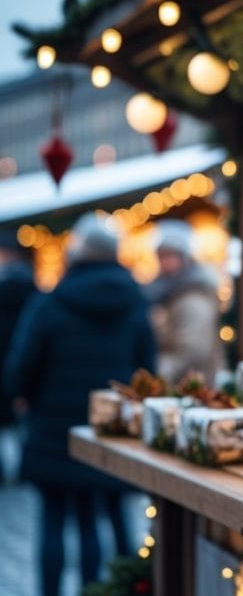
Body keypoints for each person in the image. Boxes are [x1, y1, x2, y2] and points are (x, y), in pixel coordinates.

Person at [2, 213, 156, 596]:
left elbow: (21, 367)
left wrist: (22, 399)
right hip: (107, 429)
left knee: (53, 520)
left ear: (77, 253)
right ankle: (91, 590)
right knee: (90, 521)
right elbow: (146, 370)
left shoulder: (52, 301)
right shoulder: (135, 301)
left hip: (53, 429)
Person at [143, 219, 222, 384]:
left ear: (184, 257)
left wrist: (155, 377)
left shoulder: (193, 299)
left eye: (170, 255)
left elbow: (191, 352)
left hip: (190, 389)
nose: (165, 262)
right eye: (162, 256)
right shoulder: (166, 294)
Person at [0, 228, 37, 482]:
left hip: (9, 361)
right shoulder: (34, 291)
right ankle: (23, 468)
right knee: (21, 425)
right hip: (19, 362)